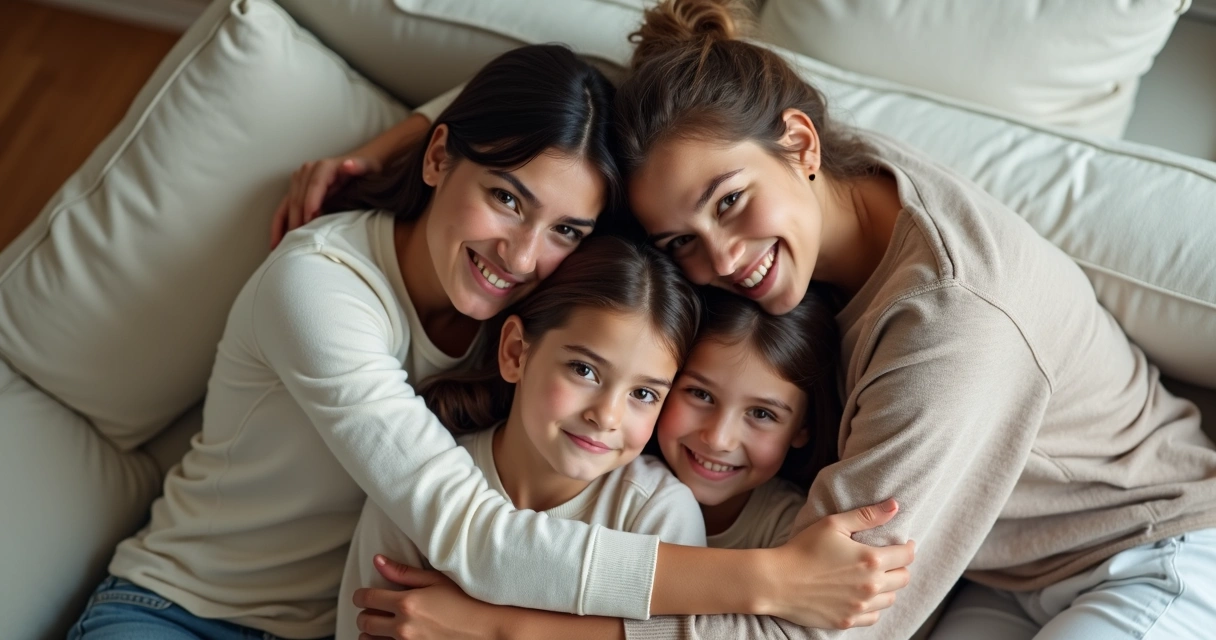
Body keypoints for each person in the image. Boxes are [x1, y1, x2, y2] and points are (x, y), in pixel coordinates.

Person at [345, 0, 1216, 637]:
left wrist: (501, 628)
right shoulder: (796, 167)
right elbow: (575, 99)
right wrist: (415, 140)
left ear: (800, 143)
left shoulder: (952, 327)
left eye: (730, 203)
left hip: (1147, 552)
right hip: (991, 569)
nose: (723, 258)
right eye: (680, 241)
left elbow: (813, 626)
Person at [70, 41, 911, 640]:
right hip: (184, 612)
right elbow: (477, 537)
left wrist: (396, 136)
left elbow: (650, 110)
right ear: (441, 157)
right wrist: (769, 582)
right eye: (506, 199)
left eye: (565, 228)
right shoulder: (320, 289)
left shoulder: (548, 297)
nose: (521, 255)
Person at [336, 236, 708, 639]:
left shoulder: (658, 513)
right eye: (584, 370)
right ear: (516, 352)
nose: (607, 416)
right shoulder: (418, 483)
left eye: (643, 394)